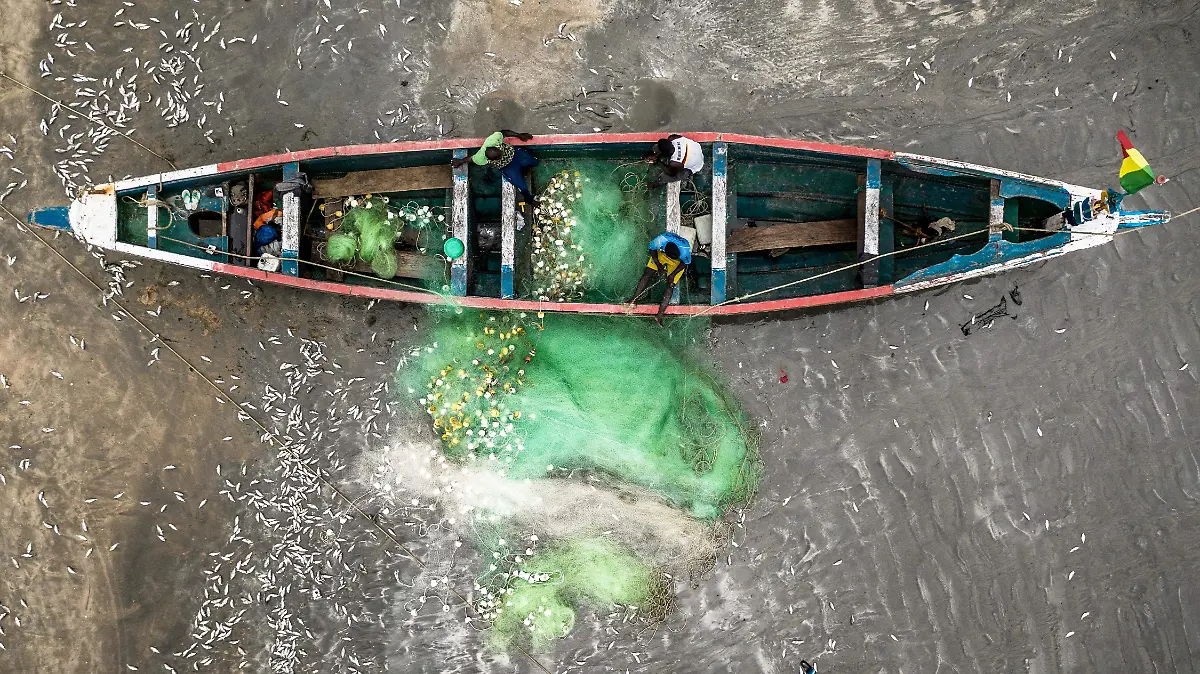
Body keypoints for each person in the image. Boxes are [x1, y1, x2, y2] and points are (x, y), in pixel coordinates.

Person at [453, 129, 539, 202]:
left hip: (514, 153)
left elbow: (503, 133)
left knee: (533, 161)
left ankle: (532, 163)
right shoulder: (480, 158)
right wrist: (461, 161)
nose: (502, 154)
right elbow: (471, 159)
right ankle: (530, 200)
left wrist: (519, 135)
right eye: (500, 156)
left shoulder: (492, 140)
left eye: (500, 151)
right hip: (507, 166)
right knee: (521, 185)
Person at [628, 231, 691, 326]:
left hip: (677, 262)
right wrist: (658, 265)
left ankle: (659, 315)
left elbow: (684, 263)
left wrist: (673, 274)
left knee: (670, 285)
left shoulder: (685, 250)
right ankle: (633, 299)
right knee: (647, 274)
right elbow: (652, 250)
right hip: (661, 255)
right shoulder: (660, 240)